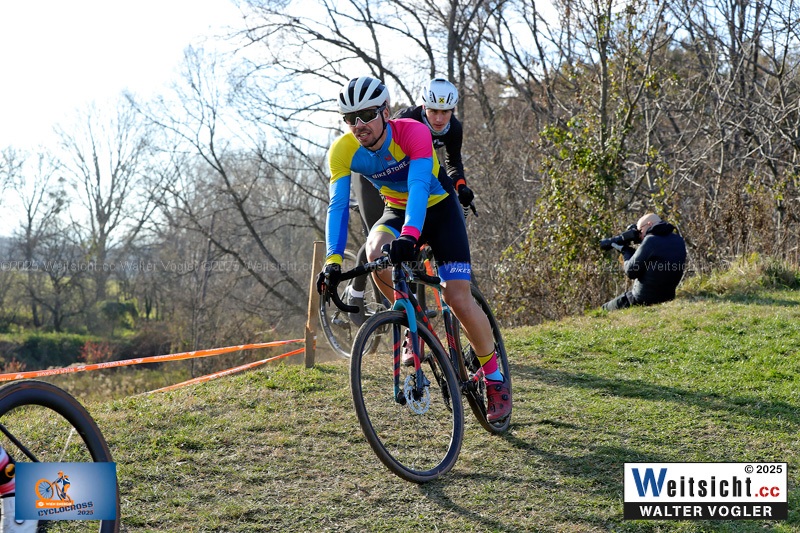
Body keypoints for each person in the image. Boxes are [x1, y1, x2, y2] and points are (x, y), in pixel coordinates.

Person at [317, 76, 511, 422]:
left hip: (439, 209)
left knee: (457, 297)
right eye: (350, 119)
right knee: (375, 251)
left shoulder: (413, 132)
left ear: (385, 112)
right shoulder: (343, 150)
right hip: (396, 209)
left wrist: (409, 236)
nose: (359, 125)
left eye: (367, 115)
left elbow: (420, 185)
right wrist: (332, 261)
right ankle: (412, 325)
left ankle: (495, 378)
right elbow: (338, 206)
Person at [346, 77, 474, 324]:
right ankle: (356, 291)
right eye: (433, 111)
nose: (439, 118)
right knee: (379, 237)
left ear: (452, 111)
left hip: (416, 181)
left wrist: (461, 186)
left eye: (445, 112)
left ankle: (414, 308)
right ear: (423, 107)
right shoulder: (409, 119)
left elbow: (453, 162)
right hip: (377, 179)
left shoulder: (454, 129)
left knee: (413, 240)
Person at [602, 213, 687, 311]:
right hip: (668, 297)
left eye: (640, 231)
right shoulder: (678, 240)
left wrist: (626, 252)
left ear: (649, 224)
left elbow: (631, 271)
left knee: (604, 308)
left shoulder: (650, 240)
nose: (640, 235)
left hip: (642, 299)